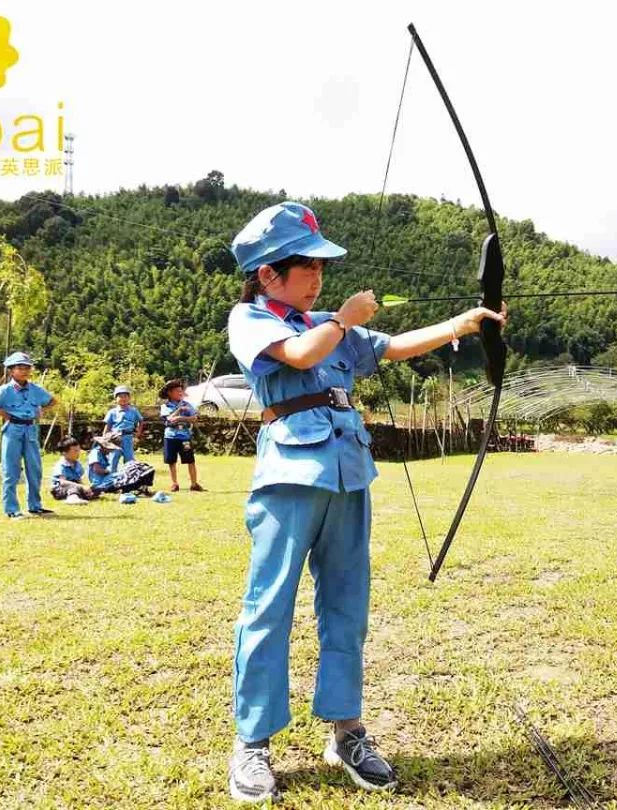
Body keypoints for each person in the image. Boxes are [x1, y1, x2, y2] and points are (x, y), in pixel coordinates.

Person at [225, 201, 506, 803]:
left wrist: (463, 324)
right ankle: (252, 744)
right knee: (269, 606)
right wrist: (345, 317)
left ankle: (346, 730)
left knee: (348, 604)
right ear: (269, 273)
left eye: (322, 268)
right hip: (289, 477)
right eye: (307, 268)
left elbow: (396, 345)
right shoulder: (250, 317)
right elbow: (300, 357)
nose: (319, 278)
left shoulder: (332, 322)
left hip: (350, 474)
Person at [0, 351, 56, 519]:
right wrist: (1, 413)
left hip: (31, 429)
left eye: (27, 367)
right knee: (11, 470)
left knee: (35, 469)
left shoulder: (35, 390)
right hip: (13, 430)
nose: (25, 371)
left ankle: (35, 506)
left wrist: (41, 409)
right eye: (20, 367)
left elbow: (52, 401)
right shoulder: (5, 390)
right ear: (11, 370)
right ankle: (11, 509)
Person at [160, 379, 203, 492]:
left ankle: (194, 484)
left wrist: (180, 418)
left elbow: (194, 418)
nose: (180, 393)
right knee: (171, 461)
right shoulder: (165, 406)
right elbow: (168, 420)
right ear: (170, 393)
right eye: (177, 391)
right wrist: (179, 411)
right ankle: (174, 483)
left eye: (181, 391)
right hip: (170, 437)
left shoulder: (187, 405)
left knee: (190, 460)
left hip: (185, 437)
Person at [86, 431, 156, 495]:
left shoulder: (103, 454)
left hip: (106, 479)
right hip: (100, 482)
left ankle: (141, 487)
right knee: (126, 473)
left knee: (132, 468)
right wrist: (107, 472)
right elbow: (97, 469)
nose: (111, 450)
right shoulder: (95, 453)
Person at [103, 385, 144, 472]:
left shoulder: (133, 411)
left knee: (129, 460)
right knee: (113, 459)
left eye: (125, 396)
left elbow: (141, 421)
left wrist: (138, 433)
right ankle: (111, 480)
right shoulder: (112, 412)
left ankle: (128, 480)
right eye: (120, 396)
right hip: (115, 438)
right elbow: (108, 426)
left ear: (129, 398)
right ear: (116, 398)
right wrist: (104, 439)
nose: (123, 398)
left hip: (128, 437)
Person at [50, 437, 98, 502]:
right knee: (73, 488)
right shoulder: (61, 465)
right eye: (75, 451)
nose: (78, 453)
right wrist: (81, 486)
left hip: (75, 485)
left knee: (94, 488)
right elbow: (63, 483)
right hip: (60, 488)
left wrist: (85, 487)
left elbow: (78, 479)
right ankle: (72, 498)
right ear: (64, 453)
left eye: (79, 450)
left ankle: (85, 495)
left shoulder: (77, 464)